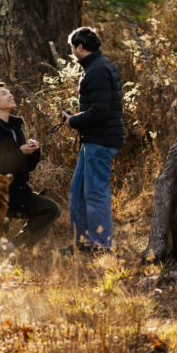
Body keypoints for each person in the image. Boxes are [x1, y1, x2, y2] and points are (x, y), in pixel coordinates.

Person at [0, 81, 60, 251]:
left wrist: (33, 152)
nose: (10, 95)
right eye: (4, 94)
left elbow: (24, 167)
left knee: (50, 209)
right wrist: (20, 153)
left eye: (9, 92)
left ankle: (16, 249)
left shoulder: (15, 128)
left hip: (17, 194)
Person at [62, 26, 124, 254]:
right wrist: (77, 117)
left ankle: (101, 245)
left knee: (95, 191)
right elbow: (101, 108)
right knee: (78, 191)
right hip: (95, 139)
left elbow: (101, 111)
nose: (72, 52)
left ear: (79, 47)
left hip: (101, 141)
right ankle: (83, 242)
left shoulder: (96, 70)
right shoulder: (98, 66)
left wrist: (74, 122)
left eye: (72, 48)